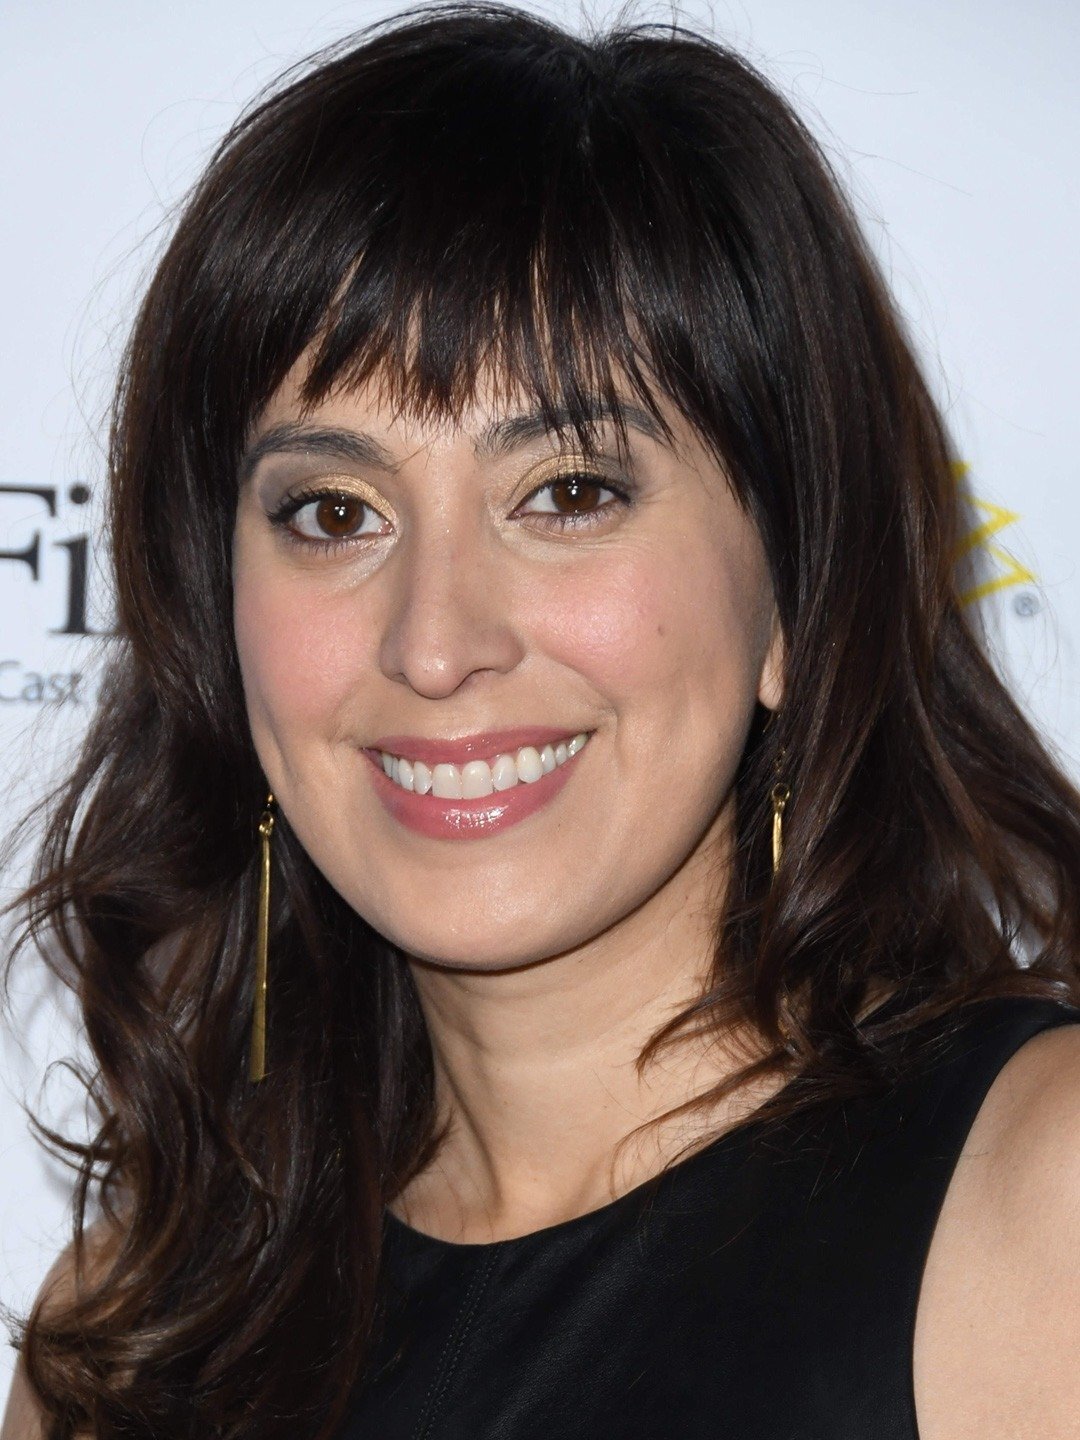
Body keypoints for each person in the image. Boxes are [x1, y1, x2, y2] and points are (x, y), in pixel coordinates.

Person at [4, 2, 1080, 1436]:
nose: (436, 643)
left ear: (795, 586)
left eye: (569, 494)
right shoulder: (135, 1333)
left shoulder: (1039, 1204)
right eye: (335, 513)